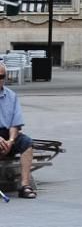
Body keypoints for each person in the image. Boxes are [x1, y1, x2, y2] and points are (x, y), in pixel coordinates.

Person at [0, 62, 36, 198]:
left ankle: (25, 185)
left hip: (7, 134)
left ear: (5, 77)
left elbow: (16, 124)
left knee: (27, 143)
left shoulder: (11, 96)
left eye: (1, 76)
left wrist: (10, 141)